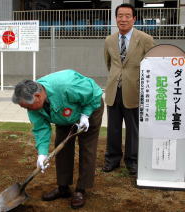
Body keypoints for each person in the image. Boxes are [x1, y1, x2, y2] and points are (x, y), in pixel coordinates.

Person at [12, 69, 104, 209]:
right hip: (63, 116)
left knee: (87, 149)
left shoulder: (66, 85)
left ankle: (81, 190)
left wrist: (85, 115)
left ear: (37, 96)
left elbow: (94, 93)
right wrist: (42, 153)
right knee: (61, 149)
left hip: (90, 108)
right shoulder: (33, 107)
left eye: (28, 106)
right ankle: (63, 187)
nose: (28, 110)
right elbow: (41, 128)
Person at [102, 3, 155, 175]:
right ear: (115, 18)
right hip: (113, 90)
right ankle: (112, 159)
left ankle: (132, 161)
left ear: (134, 19)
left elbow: (152, 64)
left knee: (133, 128)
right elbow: (109, 64)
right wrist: (117, 78)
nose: (123, 19)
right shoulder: (109, 40)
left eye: (127, 16)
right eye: (120, 16)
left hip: (135, 90)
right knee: (113, 127)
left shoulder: (145, 39)